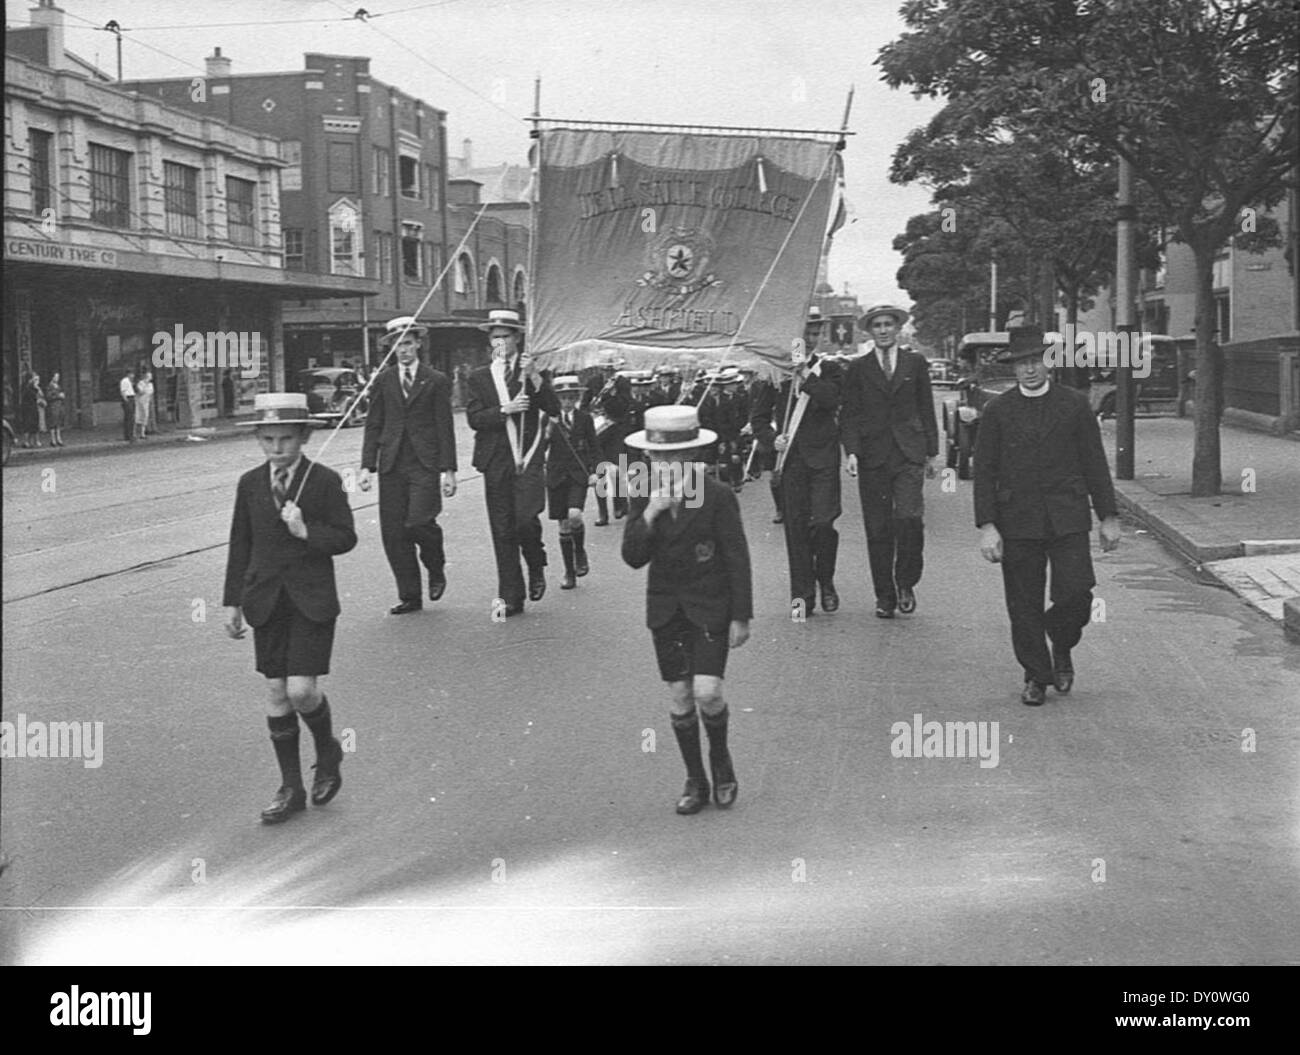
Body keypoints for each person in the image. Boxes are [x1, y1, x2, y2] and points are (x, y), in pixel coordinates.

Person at [223, 392, 357, 823]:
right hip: (266, 600)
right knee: (276, 692)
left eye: (285, 439)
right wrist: (232, 602)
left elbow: (345, 537)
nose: (277, 449)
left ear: (303, 437)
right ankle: (291, 787)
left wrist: (304, 531)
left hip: (311, 599)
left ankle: (326, 749)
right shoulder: (249, 483)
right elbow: (240, 543)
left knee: (302, 690)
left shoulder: (323, 481)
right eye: (267, 439)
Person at [974, 326, 1121, 705]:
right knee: (1023, 603)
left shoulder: (1073, 405)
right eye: (1021, 363)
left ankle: (1061, 639)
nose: (1029, 370)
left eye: (1036, 360)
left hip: (1066, 516)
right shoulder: (997, 410)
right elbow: (985, 472)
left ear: (1049, 362)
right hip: (1017, 519)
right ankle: (1036, 676)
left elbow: (1094, 463)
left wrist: (1108, 515)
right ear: (1014, 368)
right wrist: (988, 525)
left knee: (1076, 593)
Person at [622, 404, 753, 816]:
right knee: (680, 695)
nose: (665, 464)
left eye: (675, 457)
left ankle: (721, 760)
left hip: (711, 605)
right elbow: (632, 557)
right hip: (666, 609)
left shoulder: (717, 495)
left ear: (693, 456)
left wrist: (741, 616)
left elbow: (737, 557)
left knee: (707, 692)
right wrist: (650, 512)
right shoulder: (643, 492)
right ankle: (695, 779)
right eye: (657, 457)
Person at [840, 303, 938, 619]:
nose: (883, 330)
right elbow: (850, 414)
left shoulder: (915, 363)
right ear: (870, 331)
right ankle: (884, 595)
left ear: (897, 329)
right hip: (873, 456)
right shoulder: (858, 368)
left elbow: (926, 407)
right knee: (878, 528)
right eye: (877, 325)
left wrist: (932, 453)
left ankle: (906, 581)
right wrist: (852, 452)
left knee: (909, 519)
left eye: (888, 324)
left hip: (908, 453)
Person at [359, 316, 458, 615]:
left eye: (407, 343)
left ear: (418, 344)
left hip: (424, 463)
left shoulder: (436, 380)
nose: (402, 350)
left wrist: (449, 470)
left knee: (418, 522)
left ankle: (435, 565)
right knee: (394, 534)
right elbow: (373, 425)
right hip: (391, 464)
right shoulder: (384, 380)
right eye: (397, 345)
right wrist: (366, 467)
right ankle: (410, 596)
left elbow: (445, 426)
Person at [466, 309, 560, 616]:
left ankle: (536, 562)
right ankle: (510, 595)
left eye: (505, 336)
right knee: (502, 528)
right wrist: (505, 409)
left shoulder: (532, 370)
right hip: (495, 459)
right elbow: (475, 418)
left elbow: (554, 408)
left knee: (524, 520)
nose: (500, 341)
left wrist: (533, 376)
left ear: (517, 337)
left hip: (528, 458)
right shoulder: (480, 377)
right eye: (495, 337)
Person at [752, 337, 844, 614]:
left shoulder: (829, 370)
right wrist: (772, 439)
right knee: (797, 530)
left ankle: (825, 581)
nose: (806, 342)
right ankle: (802, 597)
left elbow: (831, 400)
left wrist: (804, 374)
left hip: (824, 460)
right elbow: (758, 418)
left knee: (824, 523)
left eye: (812, 335)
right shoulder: (774, 376)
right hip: (792, 461)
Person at [546, 375, 599, 589]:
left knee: (574, 515)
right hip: (556, 474)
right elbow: (539, 448)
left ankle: (580, 550)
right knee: (563, 524)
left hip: (578, 473)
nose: (567, 402)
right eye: (562, 398)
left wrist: (596, 471)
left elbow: (595, 447)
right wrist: (546, 432)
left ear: (577, 397)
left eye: (571, 397)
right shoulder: (549, 419)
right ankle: (569, 572)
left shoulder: (584, 418)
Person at [19, 371, 43, 448]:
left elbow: (41, 395)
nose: (35, 380)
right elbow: (31, 396)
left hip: (33, 408)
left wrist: (38, 388)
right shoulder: (26, 387)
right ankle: (26, 441)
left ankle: (34, 441)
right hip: (27, 408)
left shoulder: (34, 387)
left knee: (34, 424)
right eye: (34, 378)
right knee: (27, 424)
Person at [45, 371, 67, 447]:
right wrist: (58, 396)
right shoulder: (49, 386)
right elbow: (48, 397)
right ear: (52, 377)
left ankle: (59, 438)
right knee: (53, 423)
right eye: (56, 377)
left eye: (58, 377)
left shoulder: (58, 386)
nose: (57, 378)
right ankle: (53, 439)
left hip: (59, 406)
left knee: (58, 423)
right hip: (53, 406)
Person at [134, 369, 154, 440]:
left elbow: (150, 393)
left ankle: (143, 433)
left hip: (146, 403)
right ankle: (135, 433)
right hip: (139, 403)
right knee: (138, 417)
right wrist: (145, 389)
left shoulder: (150, 385)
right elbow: (140, 392)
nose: (151, 377)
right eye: (149, 376)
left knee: (145, 417)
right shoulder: (141, 383)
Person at [119, 368, 136, 443]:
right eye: (132, 374)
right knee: (130, 417)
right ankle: (129, 435)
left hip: (131, 397)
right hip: (128, 398)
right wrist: (126, 401)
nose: (133, 375)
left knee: (130, 417)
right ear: (129, 374)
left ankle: (129, 434)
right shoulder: (124, 381)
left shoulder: (130, 381)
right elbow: (123, 391)